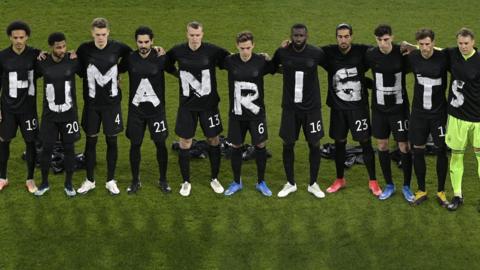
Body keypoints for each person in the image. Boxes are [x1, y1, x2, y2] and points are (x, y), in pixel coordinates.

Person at [166, 21, 230, 197]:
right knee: (185, 142)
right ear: (187, 34)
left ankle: (214, 178)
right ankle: (186, 181)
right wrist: (177, 74)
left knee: (214, 140)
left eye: (198, 35)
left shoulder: (213, 50)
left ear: (202, 34)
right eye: (192, 35)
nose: (194, 39)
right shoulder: (178, 50)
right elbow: (165, 62)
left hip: (209, 106)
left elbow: (232, 59)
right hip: (187, 106)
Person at [321, 23, 381, 196]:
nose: (343, 40)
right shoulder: (329, 52)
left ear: (351, 36)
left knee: (365, 143)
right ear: (336, 37)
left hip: (358, 108)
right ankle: (340, 179)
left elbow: (382, 51)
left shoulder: (362, 51)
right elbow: (309, 53)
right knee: (339, 143)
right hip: (338, 109)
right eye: (340, 36)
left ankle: (373, 181)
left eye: (346, 36)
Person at [76, 18, 132, 195]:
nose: (100, 38)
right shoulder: (84, 49)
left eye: (103, 34)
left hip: (112, 105)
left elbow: (133, 57)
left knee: (111, 141)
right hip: (92, 105)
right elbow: (78, 69)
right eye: (97, 34)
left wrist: (118, 73)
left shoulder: (119, 47)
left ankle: (110, 180)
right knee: (90, 141)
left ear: (108, 33)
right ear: (92, 33)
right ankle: (90, 180)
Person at [272, 23, 327, 198]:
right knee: (288, 143)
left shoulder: (316, 53)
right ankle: (290, 183)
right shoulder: (282, 52)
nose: (298, 39)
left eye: (301, 36)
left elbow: (333, 65)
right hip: (290, 109)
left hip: (312, 110)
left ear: (307, 36)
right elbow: (272, 67)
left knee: (315, 144)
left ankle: (313, 183)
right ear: (291, 35)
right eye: (295, 35)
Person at [221, 31, 273, 196]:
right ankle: (237, 182)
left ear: (253, 46)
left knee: (260, 145)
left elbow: (278, 68)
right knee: (236, 146)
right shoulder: (230, 60)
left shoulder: (260, 61)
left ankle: (261, 182)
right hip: (236, 114)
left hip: (256, 114)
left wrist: (271, 58)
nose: (245, 51)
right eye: (242, 48)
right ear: (237, 46)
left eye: (248, 48)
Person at [365, 24, 413, 202]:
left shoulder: (402, 53)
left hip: (399, 109)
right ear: (375, 39)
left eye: (386, 40)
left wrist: (412, 48)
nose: (383, 44)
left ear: (392, 38)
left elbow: (419, 62)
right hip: (378, 110)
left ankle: (407, 186)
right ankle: (389, 185)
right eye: (379, 40)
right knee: (383, 146)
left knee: (404, 147)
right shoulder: (370, 54)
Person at [120, 26, 171, 194]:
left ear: (152, 41)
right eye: (140, 42)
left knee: (160, 144)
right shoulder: (130, 58)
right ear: (136, 42)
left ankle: (163, 180)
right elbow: (116, 70)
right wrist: (118, 78)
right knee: (135, 145)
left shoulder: (161, 57)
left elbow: (179, 71)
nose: (143, 45)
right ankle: (135, 181)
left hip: (156, 111)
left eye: (146, 42)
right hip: (136, 112)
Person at [405, 28, 449, 206]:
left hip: (438, 114)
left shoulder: (444, 57)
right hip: (418, 114)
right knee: (418, 150)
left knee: (441, 150)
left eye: (428, 44)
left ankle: (441, 191)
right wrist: (405, 46)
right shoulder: (413, 57)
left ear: (433, 42)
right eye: (421, 44)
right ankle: (421, 190)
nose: (425, 48)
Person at [34, 32, 81, 197]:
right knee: (46, 149)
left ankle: (68, 184)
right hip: (49, 116)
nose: (62, 50)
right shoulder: (42, 62)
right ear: (51, 48)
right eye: (58, 47)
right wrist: (37, 53)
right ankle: (44, 183)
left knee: (69, 149)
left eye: (63, 46)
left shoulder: (73, 60)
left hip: (69, 115)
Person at [0, 21, 40, 193]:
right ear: (10, 37)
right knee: (3, 142)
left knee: (30, 143)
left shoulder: (36, 55)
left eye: (21, 37)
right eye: (15, 37)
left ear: (27, 37)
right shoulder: (2, 56)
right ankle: (2, 177)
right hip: (8, 109)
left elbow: (55, 63)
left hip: (28, 110)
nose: (18, 41)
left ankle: (30, 179)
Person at [444, 28, 480, 211]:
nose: (463, 47)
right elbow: (431, 50)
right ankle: (457, 195)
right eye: (460, 43)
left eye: (466, 43)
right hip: (457, 117)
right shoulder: (452, 54)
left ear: (473, 42)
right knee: (456, 156)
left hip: (478, 120)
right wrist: (411, 47)